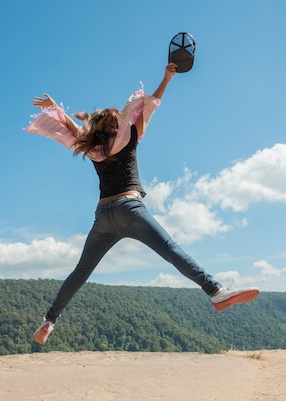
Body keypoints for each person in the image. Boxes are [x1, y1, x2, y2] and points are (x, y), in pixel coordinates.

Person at [25, 62, 259, 345]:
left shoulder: (95, 148)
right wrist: (166, 79)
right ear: (118, 123)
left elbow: (77, 131)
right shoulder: (130, 135)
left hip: (103, 216)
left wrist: (56, 110)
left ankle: (50, 320)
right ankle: (215, 291)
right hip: (129, 208)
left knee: (81, 271)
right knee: (171, 250)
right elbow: (152, 105)